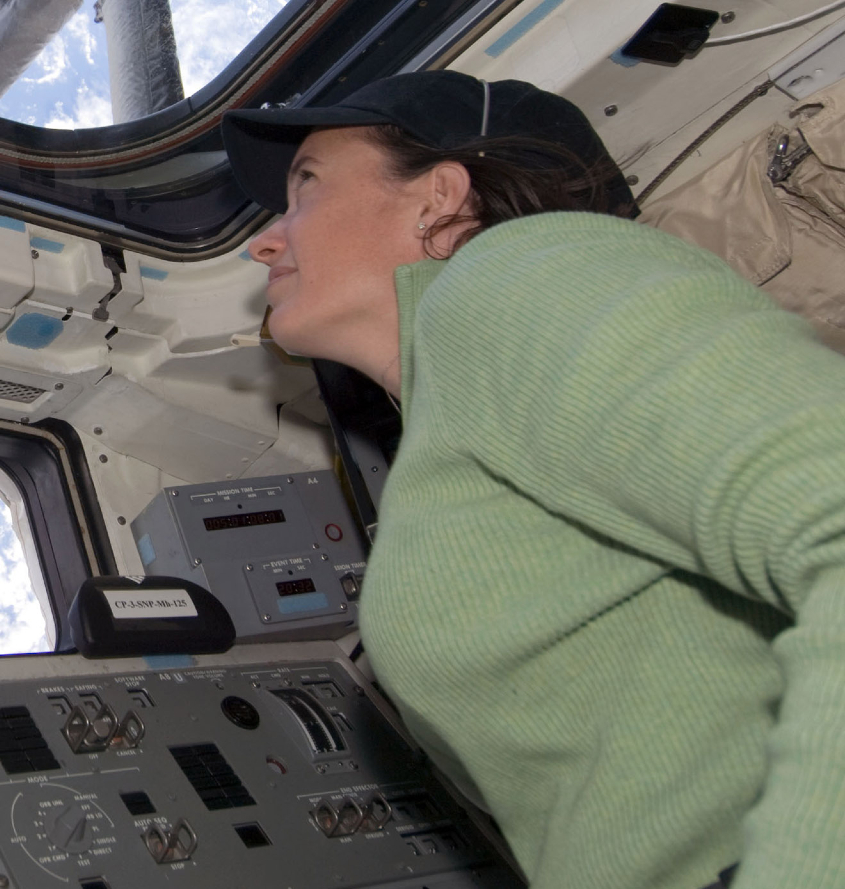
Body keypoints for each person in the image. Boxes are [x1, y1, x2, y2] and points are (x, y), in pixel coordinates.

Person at [219, 70, 845, 889]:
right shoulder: (453, 415)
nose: (264, 241)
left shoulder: (520, 275)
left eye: (305, 186)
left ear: (438, 198)